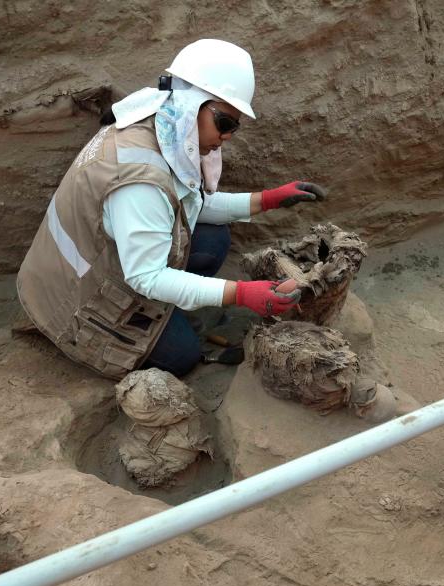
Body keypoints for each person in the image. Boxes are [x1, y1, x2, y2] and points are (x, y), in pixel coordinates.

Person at [17, 39, 327, 380]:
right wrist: (240, 293)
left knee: (212, 241)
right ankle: (152, 325)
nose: (227, 136)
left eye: (233, 126)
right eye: (224, 123)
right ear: (194, 103)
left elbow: (185, 201)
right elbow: (145, 276)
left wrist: (267, 200)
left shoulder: (158, 121)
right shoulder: (140, 182)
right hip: (73, 301)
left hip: (99, 260)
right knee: (183, 355)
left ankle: (171, 309)